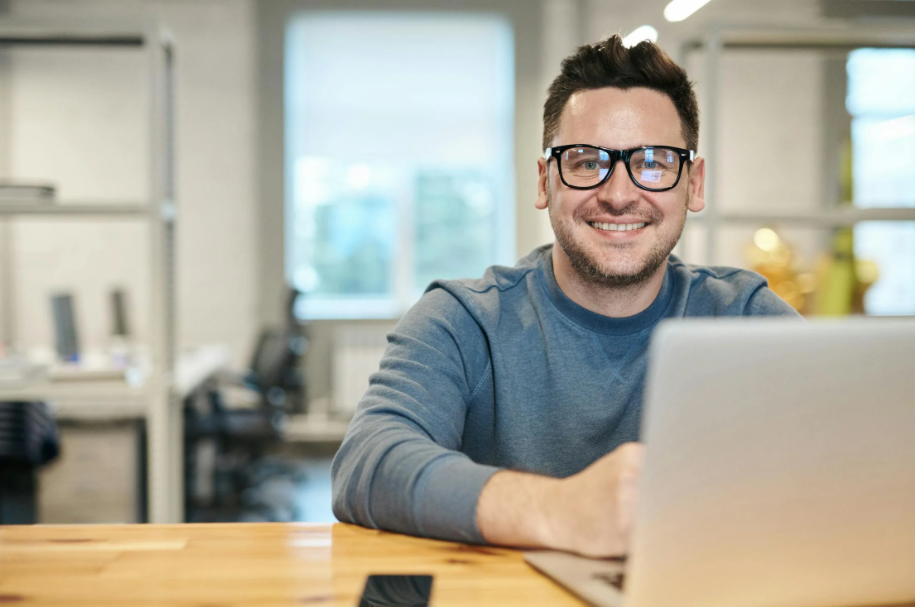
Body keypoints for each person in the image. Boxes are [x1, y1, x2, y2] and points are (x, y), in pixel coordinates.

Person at [331, 35, 800, 558]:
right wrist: (559, 511)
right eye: (583, 162)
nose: (620, 194)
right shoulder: (464, 321)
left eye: (653, 162)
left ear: (693, 182)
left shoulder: (745, 318)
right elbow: (368, 465)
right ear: (544, 181)